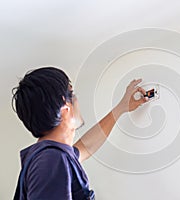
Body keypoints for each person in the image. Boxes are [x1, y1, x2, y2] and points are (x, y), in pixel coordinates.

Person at [12, 67, 148, 199]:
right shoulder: (51, 160)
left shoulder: (53, 156)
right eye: (71, 94)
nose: (76, 100)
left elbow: (87, 147)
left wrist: (121, 108)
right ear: (64, 104)